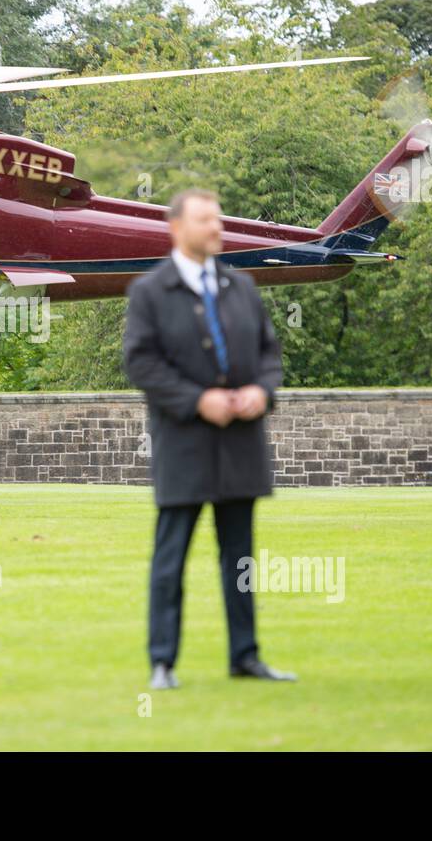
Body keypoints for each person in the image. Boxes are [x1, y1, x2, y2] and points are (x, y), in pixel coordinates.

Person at [123, 187, 296, 688]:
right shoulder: (150, 292)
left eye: (218, 220)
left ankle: (245, 656)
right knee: (171, 556)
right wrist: (198, 400)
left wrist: (262, 393)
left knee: (240, 559)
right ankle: (162, 662)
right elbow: (142, 363)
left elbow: (269, 353)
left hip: (241, 444)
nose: (217, 229)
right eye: (205, 221)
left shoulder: (241, 286)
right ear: (177, 228)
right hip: (183, 444)